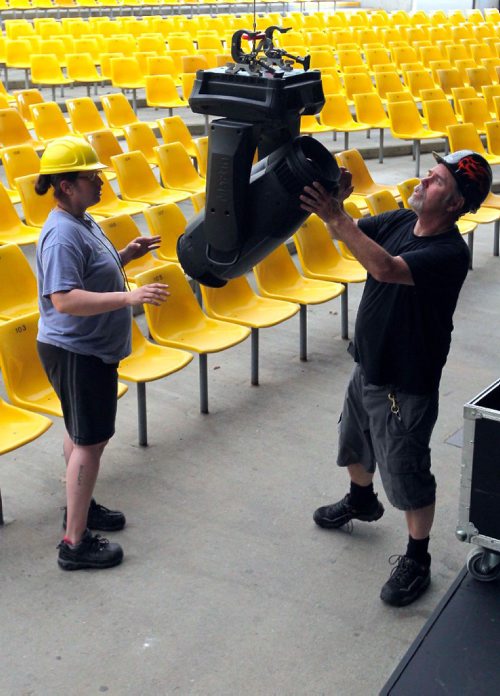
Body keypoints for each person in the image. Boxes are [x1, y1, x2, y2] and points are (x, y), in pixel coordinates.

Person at [300, 150, 492, 606]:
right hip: (368, 364)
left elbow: (385, 267)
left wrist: (337, 215)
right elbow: (351, 237)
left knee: (406, 471)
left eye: (440, 180)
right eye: (431, 172)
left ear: (454, 204)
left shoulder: (448, 253)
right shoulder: (401, 221)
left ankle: (417, 558)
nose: (426, 179)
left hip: (404, 385)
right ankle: (361, 500)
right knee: (354, 440)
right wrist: (335, 200)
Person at [35, 136, 169, 571]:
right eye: (91, 176)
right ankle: (74, 543)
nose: (100, 181)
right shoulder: (61, 235)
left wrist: (127, 255)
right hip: (76, 351)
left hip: (89, 350)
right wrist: (129, 300)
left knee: (83, 435)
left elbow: (88, 276)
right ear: (66, 185)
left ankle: (81, 505)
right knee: (90, 441)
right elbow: (65, 299)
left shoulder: (82, 220)